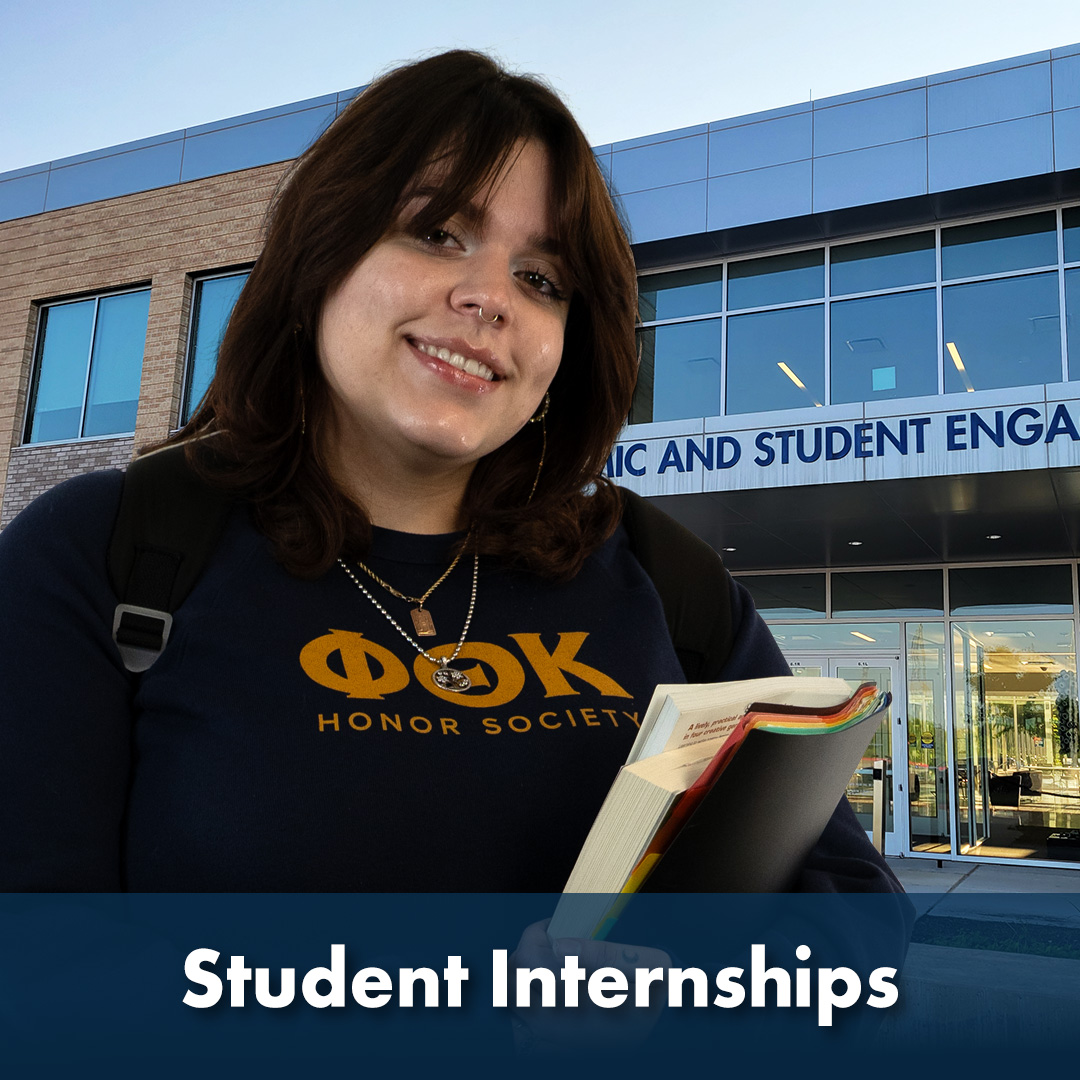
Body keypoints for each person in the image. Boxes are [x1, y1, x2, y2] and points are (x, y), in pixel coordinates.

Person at [0, 50, 903, 897]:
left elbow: (854, 919)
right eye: (437, 232)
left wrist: (678, 1001)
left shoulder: (664, 580)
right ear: (320, 259)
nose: (490, 298)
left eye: (543, 278)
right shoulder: (103, 553)